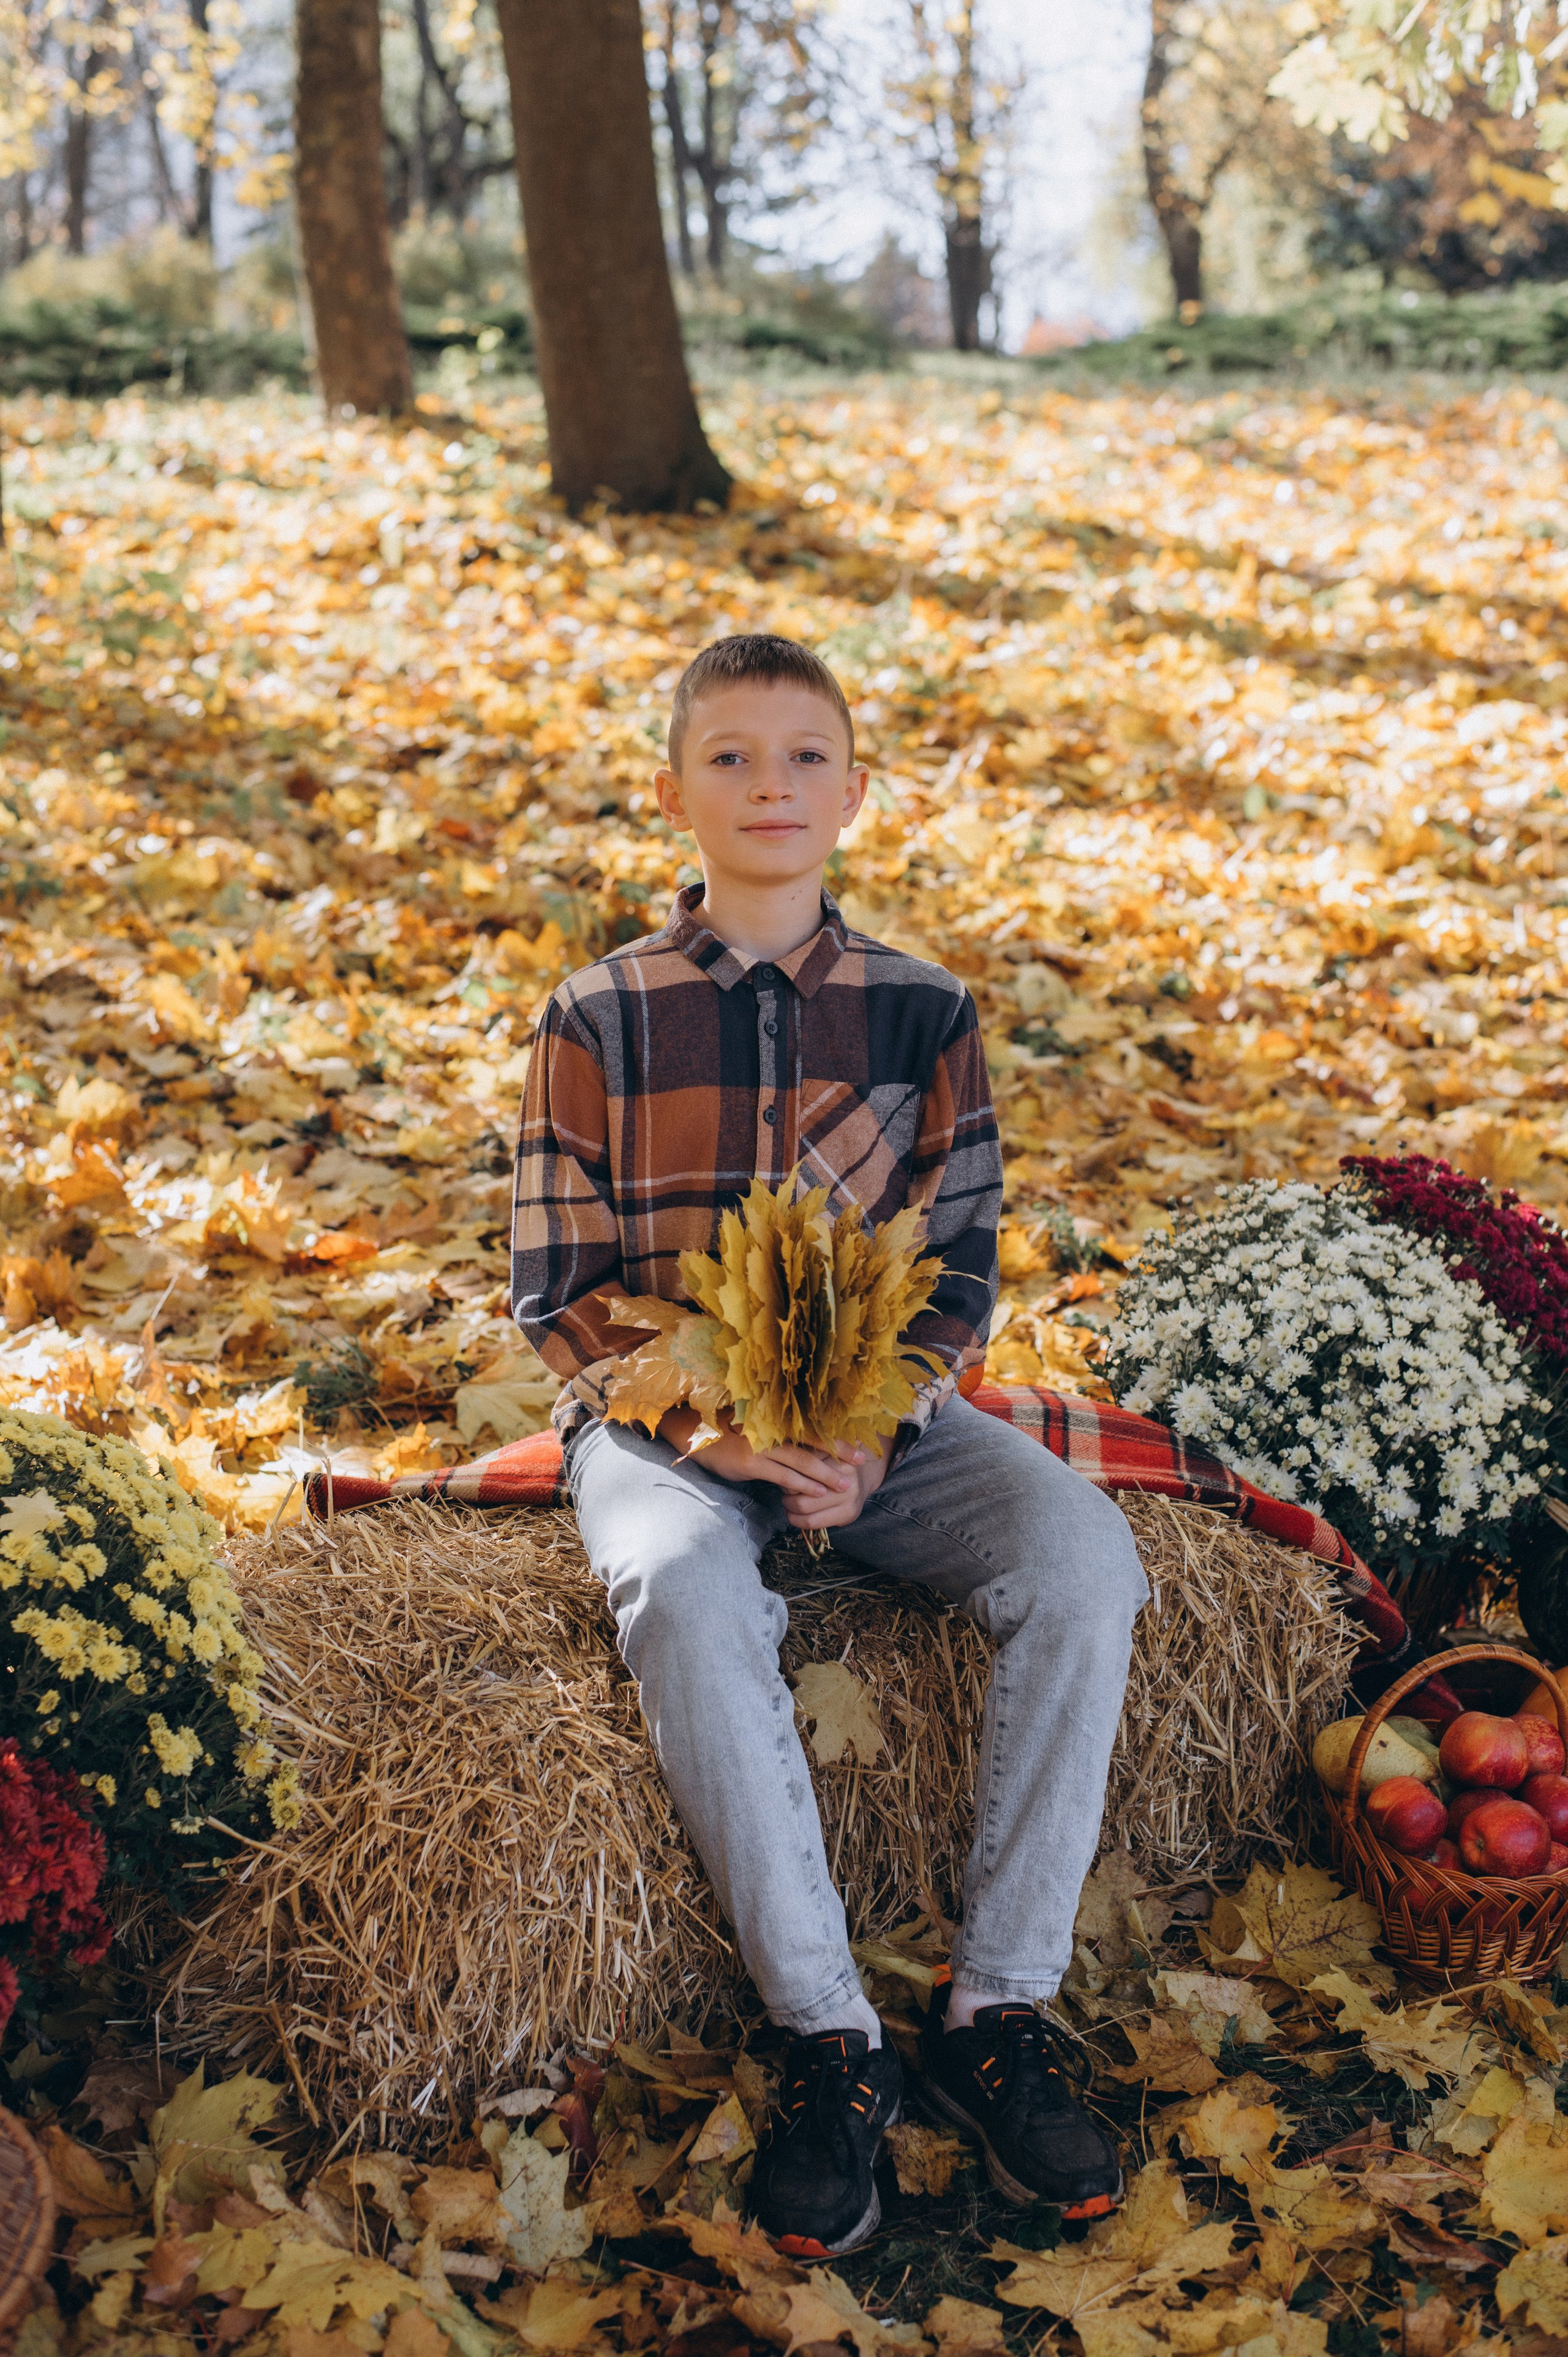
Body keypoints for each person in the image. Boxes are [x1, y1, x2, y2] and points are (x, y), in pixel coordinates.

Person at [511, 632, 1147, 2258]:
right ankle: (824, 2034)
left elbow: (966, 1271)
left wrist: (880, 1428)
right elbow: (558, 1294)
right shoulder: (597, 1019)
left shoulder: (929, 1014)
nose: (770, 786)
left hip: (885, 1433)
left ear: (856, 792)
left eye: (805, 757)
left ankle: (997, 2007)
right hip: (671, 1434)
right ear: (673, 794)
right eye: (730, 757)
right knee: (684, 1595)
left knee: (1088, 1556)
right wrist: (714, 1435)